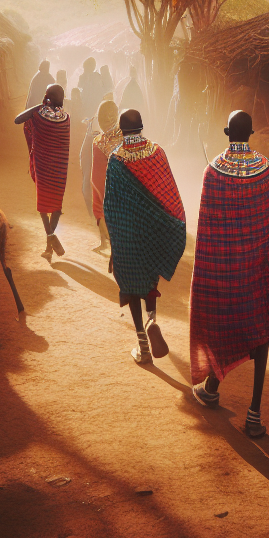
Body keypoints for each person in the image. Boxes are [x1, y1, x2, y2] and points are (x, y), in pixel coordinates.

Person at [189, 110, 269, 438]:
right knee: (260, 333)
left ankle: (211, 388)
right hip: (254, 271)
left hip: (222, 274)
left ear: (227, 133)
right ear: (251, 133)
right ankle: (253, 413)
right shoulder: (264, 168)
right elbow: (268, 219)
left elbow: (206, 232)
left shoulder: (212, 172)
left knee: (222, 325)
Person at [103, 109, 185, 364]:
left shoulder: (116, 159)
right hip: (154, 230)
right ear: (141, 127)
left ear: (121, 130)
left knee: (131, 286)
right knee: (150, 282)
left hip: (128, 234)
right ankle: (152, 321)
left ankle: (143, 344)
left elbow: (110, 206)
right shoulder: (157, 152)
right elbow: (169, 192)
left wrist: (115, 243)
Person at [16, 84, 71, 259]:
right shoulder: (66, 118)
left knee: (43, 205)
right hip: (60, 168)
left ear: (47, 97)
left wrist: (40, 104)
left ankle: (50, 239)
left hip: (43, 167)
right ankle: (49, 246)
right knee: (56, 206)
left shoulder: (39, 115)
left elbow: (18, 119)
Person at [90, 99, 122, 265]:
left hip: (101, 183)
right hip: (117, 183)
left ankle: (110, 246)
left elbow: (96, 168)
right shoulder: (124, 137)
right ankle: (108, 245)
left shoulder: (98, 141)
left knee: (101, 212)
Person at [77, 57, 104, 122]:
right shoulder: (83, 77)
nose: (84, 71)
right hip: (86, 103)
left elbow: (99, 90)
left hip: (92, 102)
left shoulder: (97, 76)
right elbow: (79, 87)